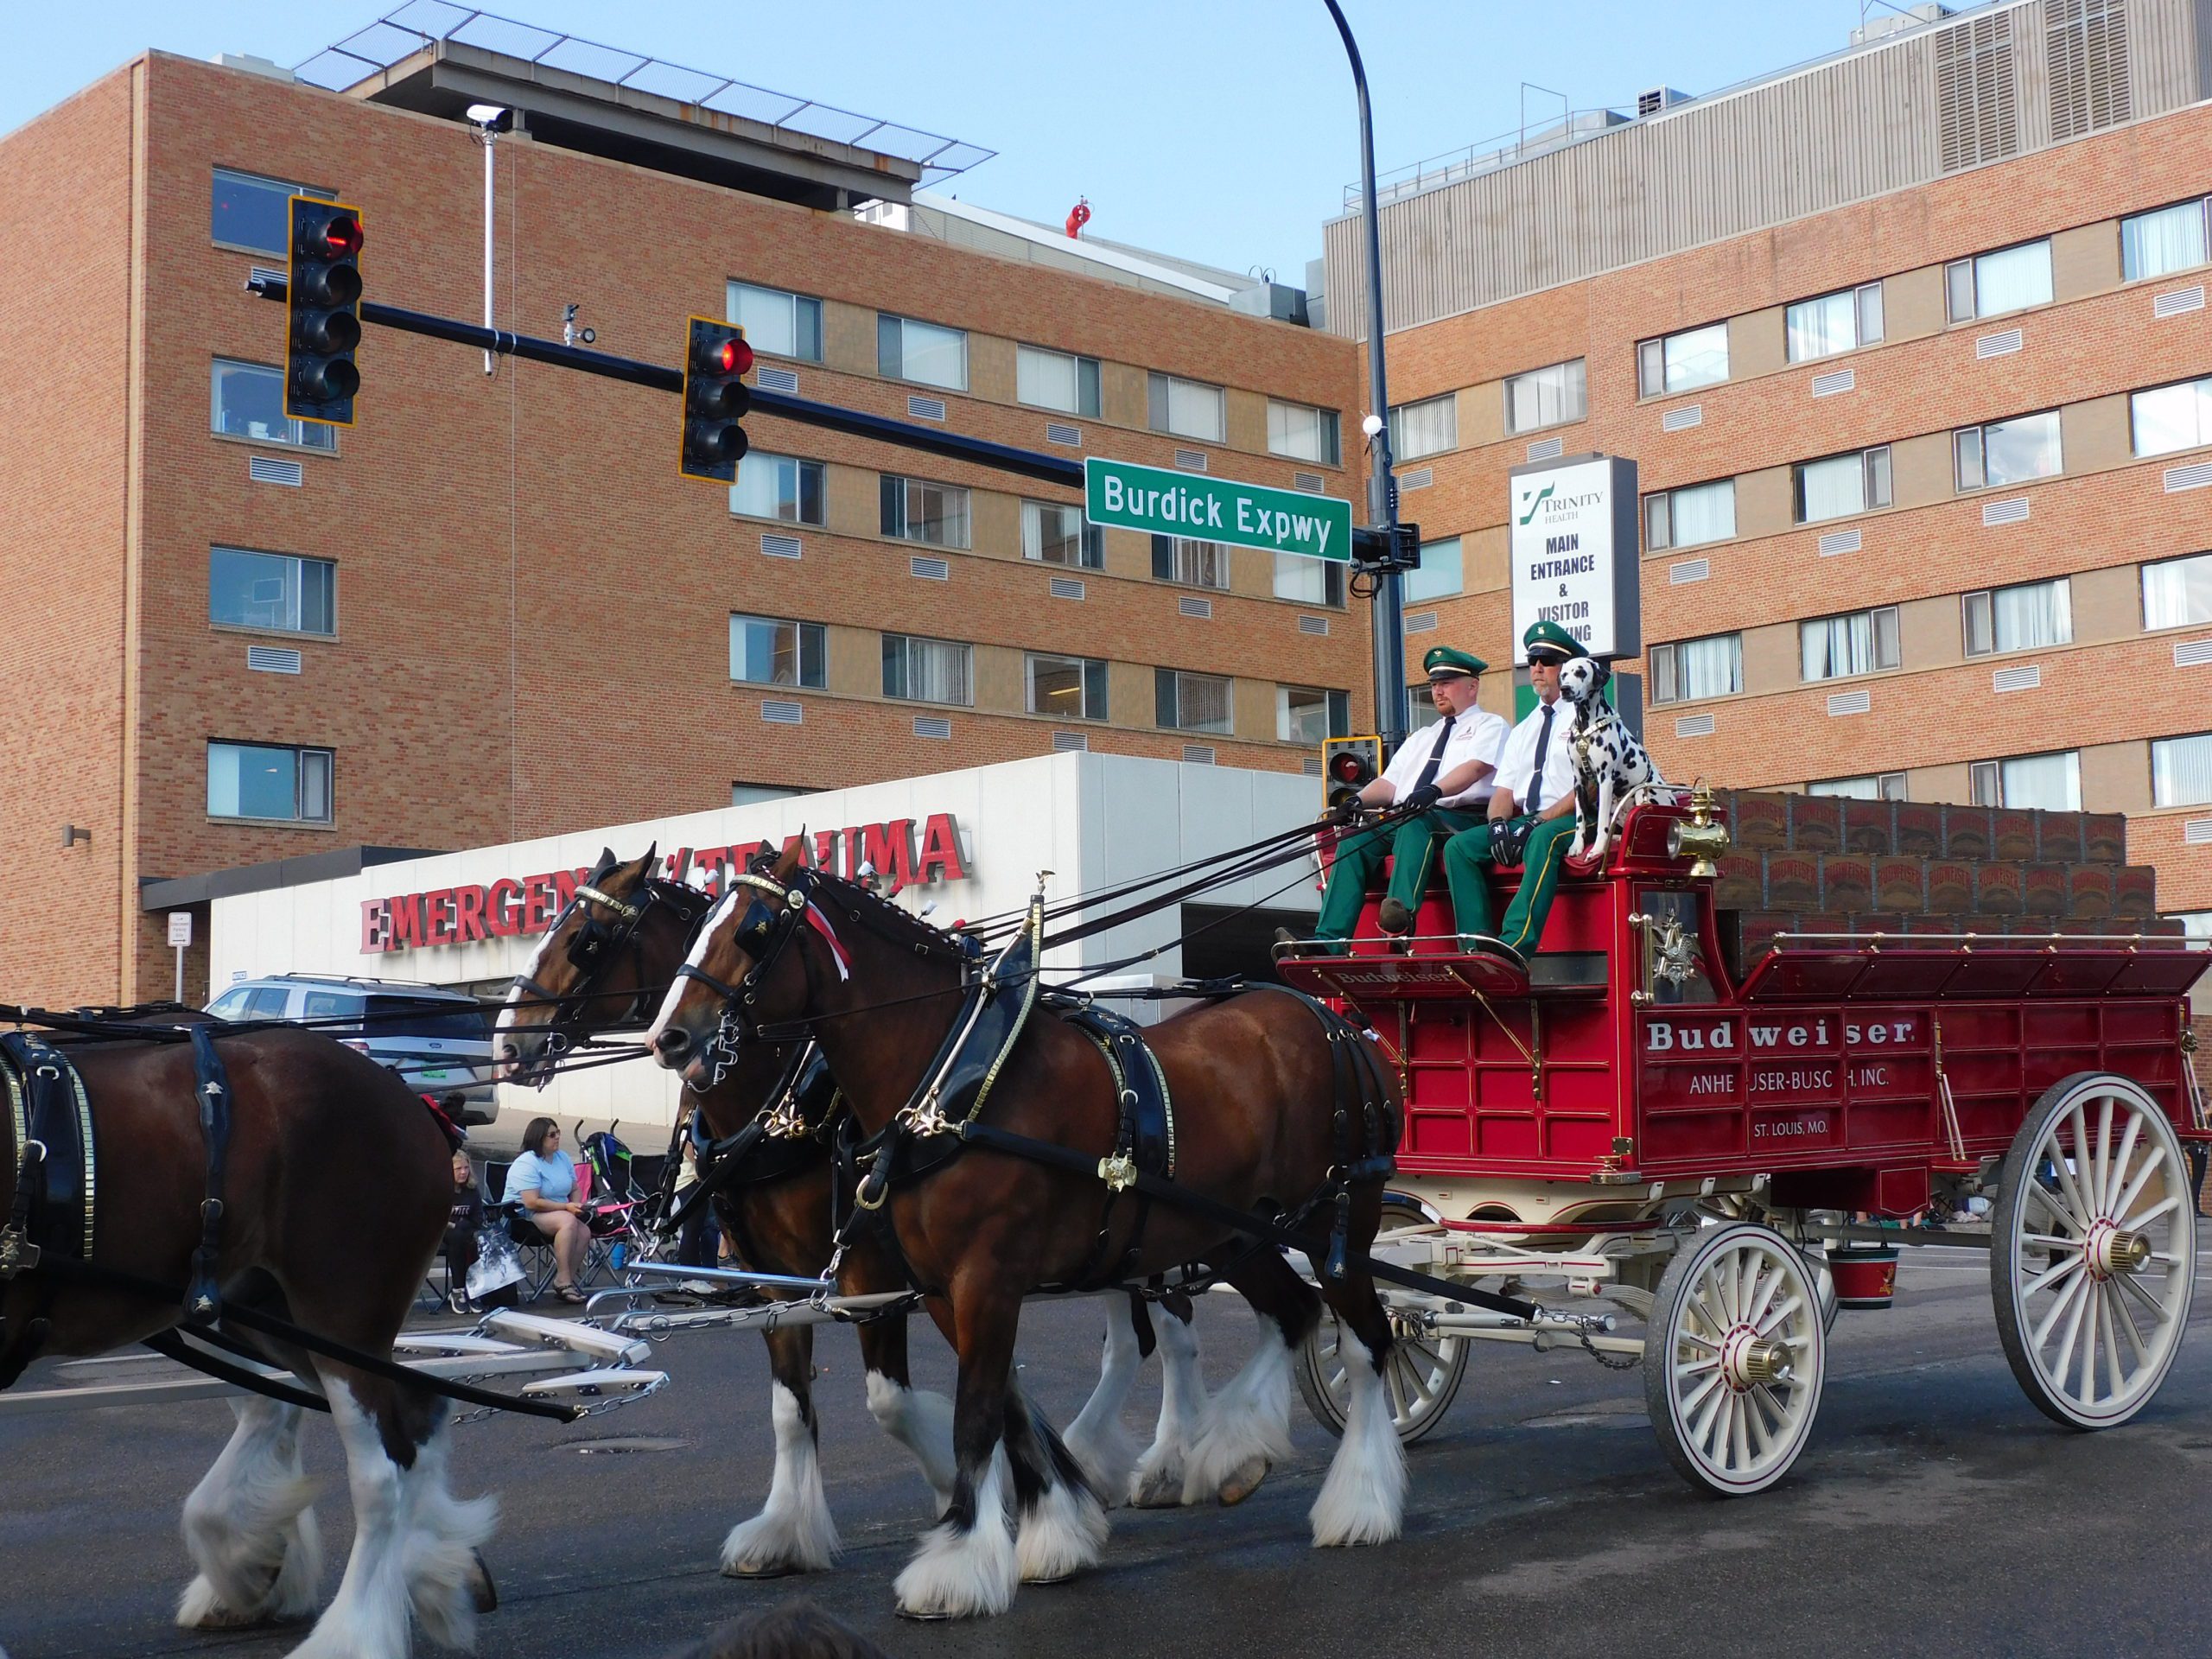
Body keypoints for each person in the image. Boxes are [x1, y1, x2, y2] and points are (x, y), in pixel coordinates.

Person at [1298, 645, 1507, 954]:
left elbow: (1477, 767)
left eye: (1446, 683)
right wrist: (1356, 802)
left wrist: (1435, 791)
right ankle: (1330, 940)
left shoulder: (1490, 725)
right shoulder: (1422, 736)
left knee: (1415, 826)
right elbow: (1389, 782)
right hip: (1410, 814)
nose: (1438, 691)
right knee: (1355, 840)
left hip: (1460, 817)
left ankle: (1399, 919)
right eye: (1435, 685)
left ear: (1472, 686)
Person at [1440, 620, 1586, 968]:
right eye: (1533, 660)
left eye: (1547, 660)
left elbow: (1588, 785)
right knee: (1458, 847)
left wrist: (1536, 821)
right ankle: (1476, 950)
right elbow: (1504, 791)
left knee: (1543, 839)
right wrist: (1497, 825)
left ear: (1566, 669)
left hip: (1579, 817)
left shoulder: (1587, 717)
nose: (1537, 668)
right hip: (1530, 818)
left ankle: (1515, 945)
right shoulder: (1524, 729)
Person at [505, 1116, 590, 1304]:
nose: (557, 1137)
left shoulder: (563, 1157)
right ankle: (563, 1281)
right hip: (522, 1216)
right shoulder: (526, 1163)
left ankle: (566, 1279)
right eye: (552, 1135)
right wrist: (567, 1208)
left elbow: (575, 1188)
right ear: (539, 1139)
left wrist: (576, 1205)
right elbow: (531, 1202)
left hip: (558, 1212)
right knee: (567, 1221)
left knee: (584, 1232)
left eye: (558, 1132)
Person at [442, 1147, 484, 1313]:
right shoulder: (442, 1189)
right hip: (442, 1235)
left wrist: (456, 1224)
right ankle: (458, 1290)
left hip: (466, 1234)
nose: (463, 1172)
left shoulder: (472, 1191)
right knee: (458, 1237)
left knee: (473, 1240)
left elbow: (478, 1219)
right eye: (458, 1168)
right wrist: (458, 1225)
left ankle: (472, 1289)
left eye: (466, 1168)